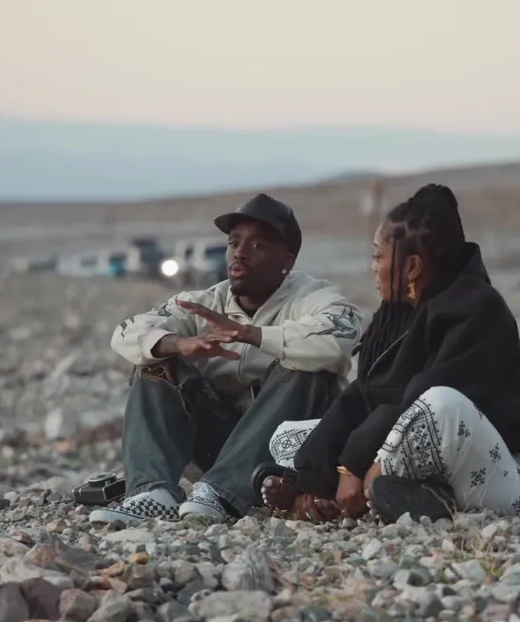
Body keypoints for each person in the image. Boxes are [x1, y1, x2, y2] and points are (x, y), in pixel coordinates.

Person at [252, 184, 520, 524]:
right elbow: (363, 396)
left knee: (441, 402)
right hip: (418, 458)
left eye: (378, 256)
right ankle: (355, 496)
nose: (373, 266)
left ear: (411, 267)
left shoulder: (479, 309)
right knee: (288, 437)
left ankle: (383, 487)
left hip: (512, 477)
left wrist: (353, 464)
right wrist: (319, 474)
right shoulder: (399, 313)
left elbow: (422, 400)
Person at [96, 193, 364, 525]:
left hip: (286, 460)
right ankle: (153, 493)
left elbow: (338, 339)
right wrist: (180, 344)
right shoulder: (204, 303)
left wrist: (252, 334)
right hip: (218, 451)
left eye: (257, 245)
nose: (240, 253)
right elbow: (126, 332)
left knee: (307, 366)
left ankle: (223, 493)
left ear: (287, 260)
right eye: (234, 243)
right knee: (156, 361)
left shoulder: (315, 297)